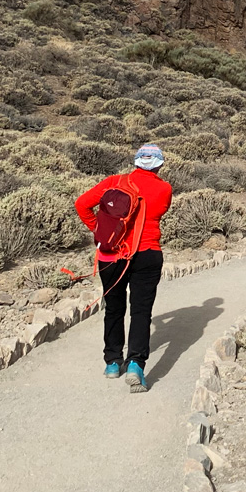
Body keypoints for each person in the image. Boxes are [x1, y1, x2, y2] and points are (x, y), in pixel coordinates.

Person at [74, 143, 173, 392]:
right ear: (160, 164)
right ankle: (136, 365)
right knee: (141, 311)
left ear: (136, 162)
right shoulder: (164, 189)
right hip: (148, 254)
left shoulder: (113, 182)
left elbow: (81, 204)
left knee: (114, 309)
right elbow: (160, 211)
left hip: (111, 256)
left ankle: (112, 363)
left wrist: (100, 231)